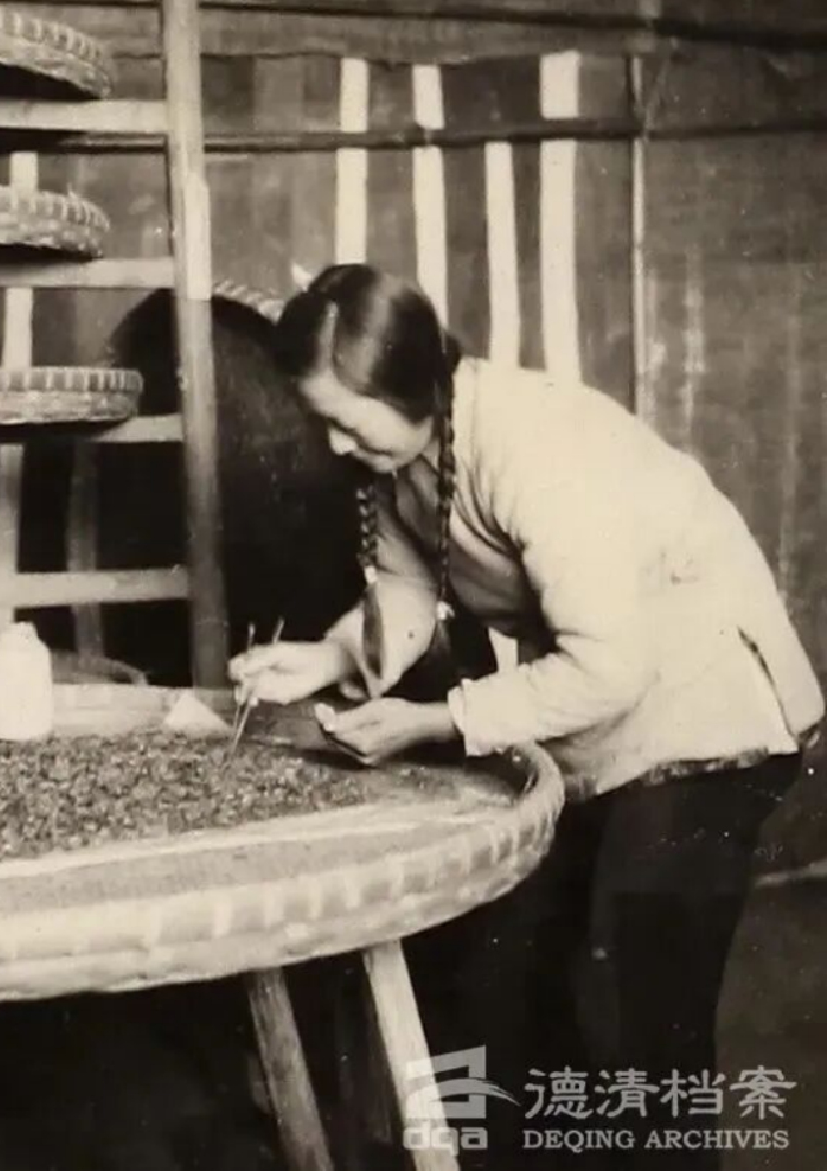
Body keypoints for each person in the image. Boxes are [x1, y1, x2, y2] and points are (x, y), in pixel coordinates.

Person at [229, 262, 823, 1169]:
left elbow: (610, 663)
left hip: (708, 706)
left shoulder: (533, 445)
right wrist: (328, 658)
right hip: (610, 710)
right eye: (325, 423)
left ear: (411, 383)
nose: (337, 445)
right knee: (506, 978)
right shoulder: (399, 456)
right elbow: (411, 583)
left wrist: (436, 719)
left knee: (635, 1015)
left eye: (350, 422)